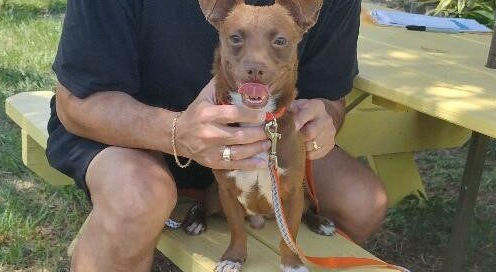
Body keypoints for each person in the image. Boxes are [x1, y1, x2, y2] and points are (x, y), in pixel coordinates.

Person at [47, 0, 387, 271]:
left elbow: (331, 98)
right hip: (133, 134)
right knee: (138, 199)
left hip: (268, 138)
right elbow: (76, 103)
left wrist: (322, 121)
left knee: (361, 202)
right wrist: (177, 132)